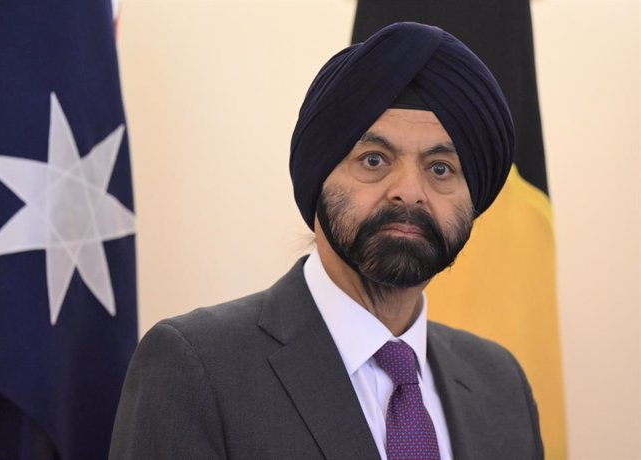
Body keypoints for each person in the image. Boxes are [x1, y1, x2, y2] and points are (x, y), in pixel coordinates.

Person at [110, 22, 543, 460]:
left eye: (441, 168)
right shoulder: (196, 368)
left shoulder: (500, 384)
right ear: (318, 179)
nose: (409, 191)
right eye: (374, 160)